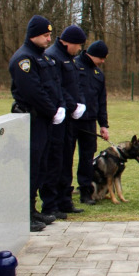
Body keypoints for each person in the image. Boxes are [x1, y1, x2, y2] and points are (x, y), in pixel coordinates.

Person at [8, 15, 65, 232]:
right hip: (33, 119)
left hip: (44, 120)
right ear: (34, 35)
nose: (49, 39)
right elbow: (33, 92)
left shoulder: (41, 58)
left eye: (50, 34)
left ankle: (32, 210)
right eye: (45, 35)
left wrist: (58, 107)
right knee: (31, 167)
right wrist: (52, 110)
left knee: (41, 166)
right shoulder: (24, 59)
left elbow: (52, 86)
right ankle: (24, 214)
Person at [39, 25, 88, 219]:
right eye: (78, 45)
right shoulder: (53, 57)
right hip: (58, 117)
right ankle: (51, 204)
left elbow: (76, 85)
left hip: (69, 117)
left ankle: (65, 200)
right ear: (67, 42)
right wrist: (70, 105)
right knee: (55, 161)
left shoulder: (70, 58)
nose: (79, 50)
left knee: (67, 158)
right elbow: (56, 86)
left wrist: (80, 104)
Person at [72, 40, 110, 205]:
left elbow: (102, 101)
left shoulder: (98, 74)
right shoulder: (73, 65)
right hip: (71, 120)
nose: (103, 62)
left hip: (89, 122)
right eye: (102, 58)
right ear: (94, 55)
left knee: (87, 158)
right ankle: (64, 190)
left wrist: (103, 124)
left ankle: (86, 192)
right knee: (65, 157)